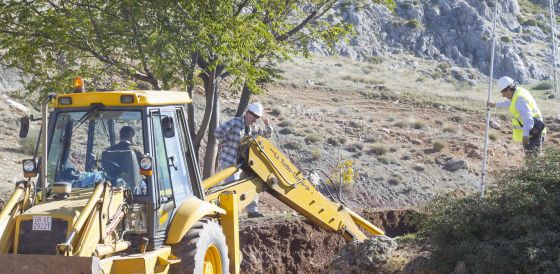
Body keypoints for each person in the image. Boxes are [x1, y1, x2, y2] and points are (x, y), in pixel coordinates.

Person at [214, 102, 273, 218]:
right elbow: (218, 132)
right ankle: (229, 213)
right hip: (229, 160)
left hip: (243, 163)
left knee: (251, 183)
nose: (255, 119)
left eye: (257, 117)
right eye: (254, 116)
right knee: (233, 185)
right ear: (247, 113)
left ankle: (252, 211)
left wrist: (268, 126)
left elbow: (266, 135)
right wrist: (225, 142)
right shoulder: (235, 122)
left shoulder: (254, 128)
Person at [488, 76, 546, 156]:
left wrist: (525, 135)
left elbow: (528, 118)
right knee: (532, 159)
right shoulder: (518, 93)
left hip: (533, 132)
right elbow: (512, 103)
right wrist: (495, 105)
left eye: (503, 92)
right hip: (533, 130)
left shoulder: (520, 99)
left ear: (508, 89)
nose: (503, 95)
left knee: (533, 160)